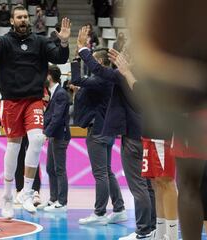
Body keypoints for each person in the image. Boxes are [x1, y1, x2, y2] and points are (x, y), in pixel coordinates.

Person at [0, 5, 70, 219]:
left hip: (34, 100)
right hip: (11, 101)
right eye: (19, 17)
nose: (23, 20)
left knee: (36, 140)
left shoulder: (41, 41)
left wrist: (63, 42)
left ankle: (27, 192)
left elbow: (61, 59)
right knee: (14, 147)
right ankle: (8, 196)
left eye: (25, 16)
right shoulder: (5, 42)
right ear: (12, 21)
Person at [77, 26, 154, 240]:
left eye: (125, 54)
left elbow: (100, 70)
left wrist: (83, 49)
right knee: (148, 185)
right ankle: (153, 227)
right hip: (148, 133)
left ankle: (143, 231)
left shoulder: (125, 75)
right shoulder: (147, 73)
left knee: (138, 186)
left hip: (132, 136)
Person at [109, 49, 179, 239]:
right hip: (149, 132)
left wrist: (128, 72)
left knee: (166, 182)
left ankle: (172, 234)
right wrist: (127, 72)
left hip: (162, 132)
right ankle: (161, 231)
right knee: (156, 183)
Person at [71, 49, 127, 225]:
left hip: (97, 130)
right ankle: (118, 209)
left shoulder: (102, 78)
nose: (91, 65)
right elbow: (81, 85)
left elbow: (77, 80)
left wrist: (75, 58)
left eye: (93, 61)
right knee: (107, 171)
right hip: (107, 129)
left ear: (100, 63)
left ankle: (100, 213)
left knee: (100, 173)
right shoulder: (106, 79)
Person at [41, 65, 70, 212]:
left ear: (49, 76)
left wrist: (46, 133)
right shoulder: (53, 93)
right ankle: (53, 198)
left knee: (59, 169)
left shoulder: (60, 94)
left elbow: (57, 117)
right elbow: (50, 115)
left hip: (60, 135)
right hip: (54, 135)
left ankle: (62, 202)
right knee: (50, 168)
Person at [14, 136, 42, 207]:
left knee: (33, 155)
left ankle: (35, 192)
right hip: (18, 127)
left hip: (32, 126)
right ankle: (19, 191)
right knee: (19, 153)